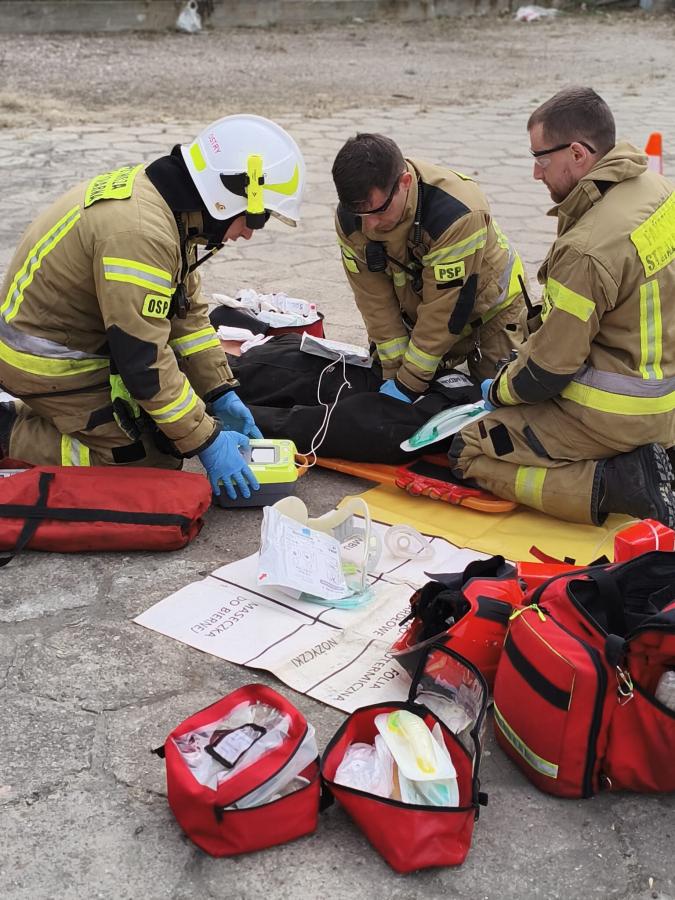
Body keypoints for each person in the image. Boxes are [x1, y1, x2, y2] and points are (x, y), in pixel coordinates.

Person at [0, 114, 305, 500]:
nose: (247, 233)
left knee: (170, 428)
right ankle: (9, 432)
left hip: (79, 343)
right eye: (254, 219)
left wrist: (219, 392)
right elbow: (143, 363)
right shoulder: (142, 233)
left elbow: (188, 319)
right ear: (225, 197)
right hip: (45, 362)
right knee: (146, 460)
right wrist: (207, 441)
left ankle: (61, 417)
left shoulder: (169, 209)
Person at [449, 87, 675, 526]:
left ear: (577, 153)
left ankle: (617, 484)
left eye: (541, 159)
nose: (536, 173)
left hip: (618, 413)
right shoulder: (658, 190)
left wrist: (498, 391)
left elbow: (548, 371)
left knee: (470, 449)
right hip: (664, 393)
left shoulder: (587, 248)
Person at [227, 132, 527, 463]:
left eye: (378, 211)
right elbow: (375, 303)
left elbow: (445, 313)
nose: (369, 226)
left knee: (499, 421)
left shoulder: (456, 214)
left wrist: (409, 382)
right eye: (360, 214)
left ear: (404, 183)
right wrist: (393, 373)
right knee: (377, 388)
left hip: (490, 317)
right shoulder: (353, 218)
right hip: (420, 310)